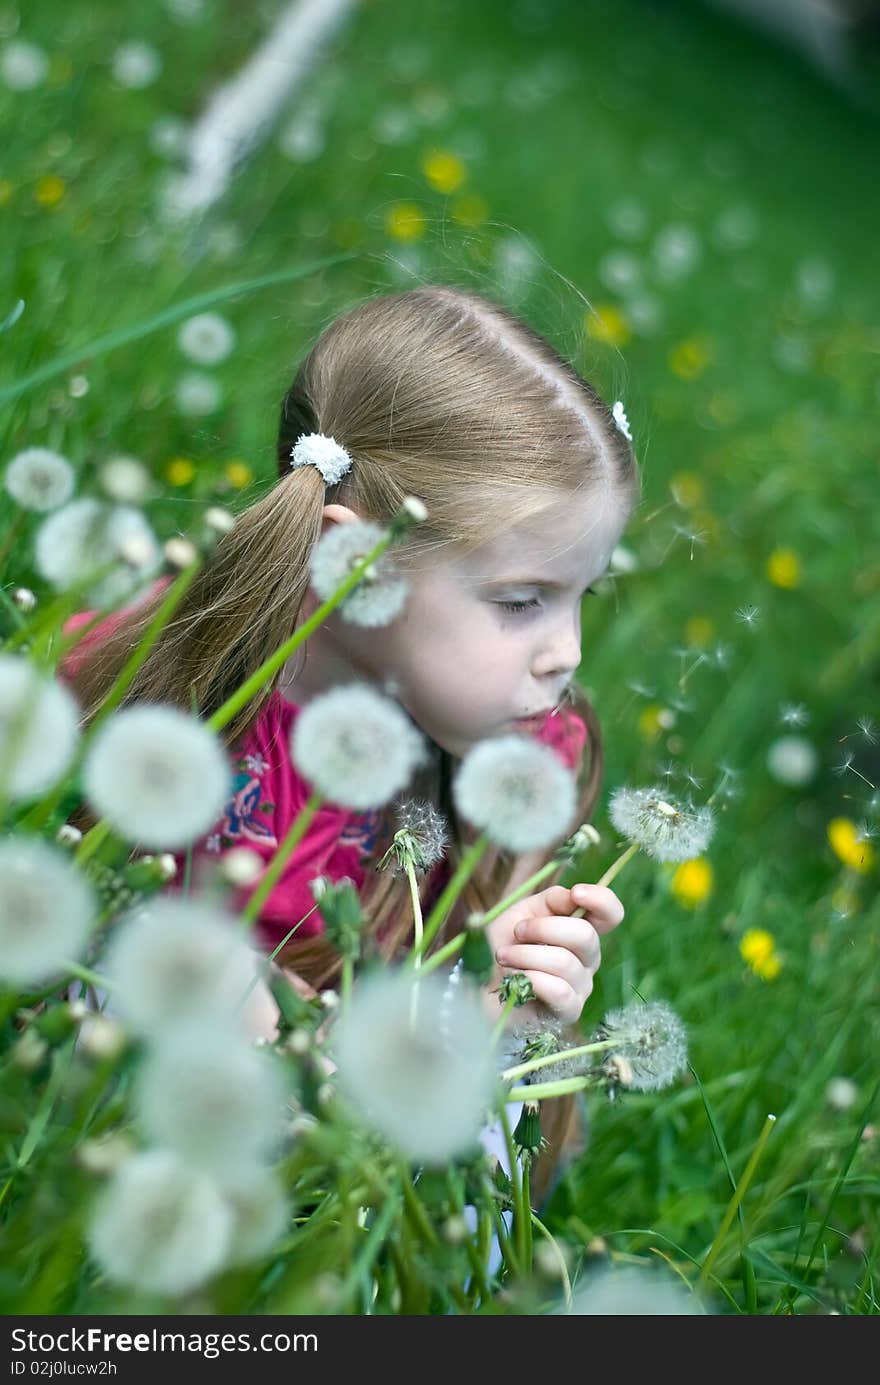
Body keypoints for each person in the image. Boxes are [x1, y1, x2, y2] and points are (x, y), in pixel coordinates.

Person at [60, 283, 640, 1208]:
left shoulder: (524, 759)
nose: (567, 655)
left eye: (585, 597)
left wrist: (518, 1006)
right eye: (523, 601)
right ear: (357, 561)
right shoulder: (157, 699)